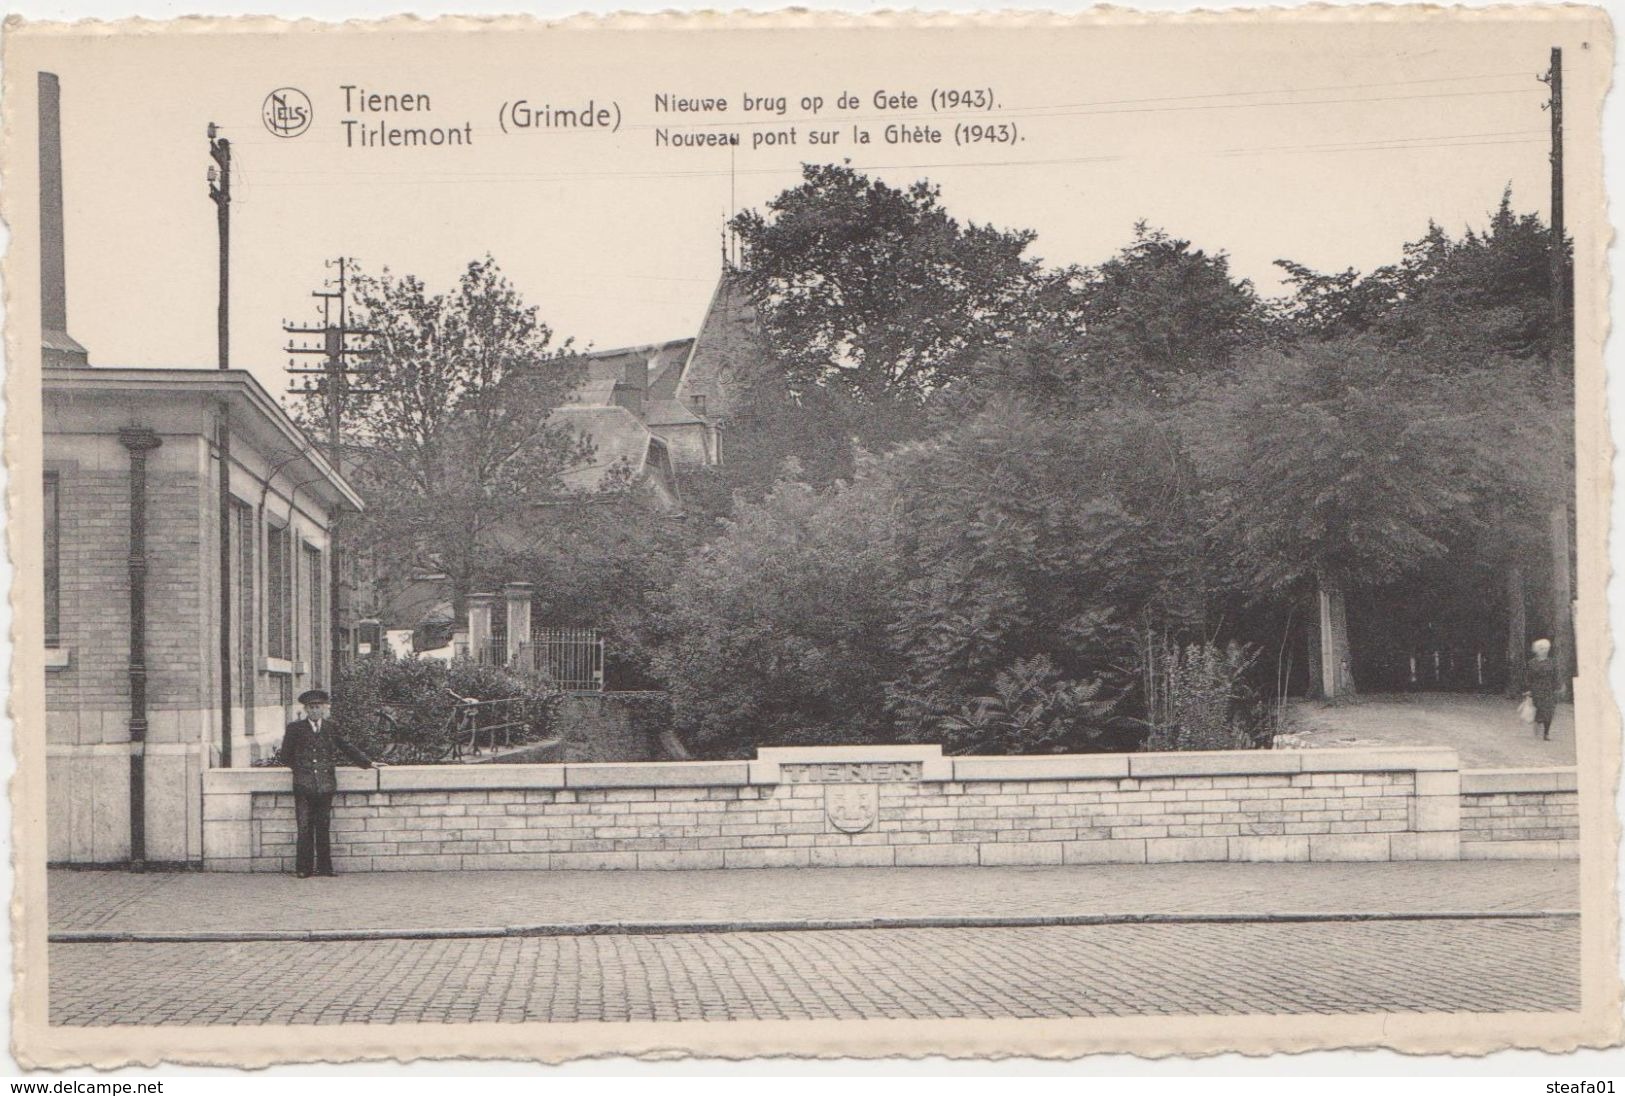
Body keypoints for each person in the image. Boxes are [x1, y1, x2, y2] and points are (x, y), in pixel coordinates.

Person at [280, 688, 377, 878]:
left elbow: (346, 746)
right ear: (306, 709)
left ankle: (325, 868)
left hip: (325, 785)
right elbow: (285, 756)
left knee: (323, 827)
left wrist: (368, 763)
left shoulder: (331, 728)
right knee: (304, 827)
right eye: (311, 707)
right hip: (303, 785)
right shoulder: (295, 729)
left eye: (318, 707)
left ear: (324, 709)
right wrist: (301, 769)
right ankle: (303, 868)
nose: (315, 711)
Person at [1525, 638, 1561, 742]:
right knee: (1538, 710)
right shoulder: (1531, 663)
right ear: (1536, 649)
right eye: (1541, 648)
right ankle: (1536, 730)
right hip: (1536, 689)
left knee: (1548, 712)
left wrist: (1557, 688)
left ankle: (1546, 733)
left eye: (1545, 648)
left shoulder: (1552, 662)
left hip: (1549, 689)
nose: (1543, 650)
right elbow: (1528, 677)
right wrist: (1528, 689)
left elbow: (1556, 676)